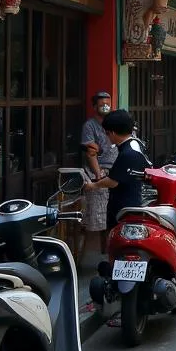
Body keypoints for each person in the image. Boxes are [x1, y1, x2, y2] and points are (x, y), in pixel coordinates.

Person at [82, 109, 151, 233]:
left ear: (113, 133)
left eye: (107, 133)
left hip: (124, 208)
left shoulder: (127, 153)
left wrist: (93, 185)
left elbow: (113, 182)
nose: (107, 137)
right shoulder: (136, 144)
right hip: (133, 201)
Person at [80, 91, 116, 256]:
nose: (105, 106)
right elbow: (91, 152)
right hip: (100, 171)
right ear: (95, 106)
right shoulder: (90, 126)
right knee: (99, 216)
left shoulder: (116, 123)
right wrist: (99, 175)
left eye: (107, 103)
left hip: (118, 170)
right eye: (101, 104)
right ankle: (98, 253)